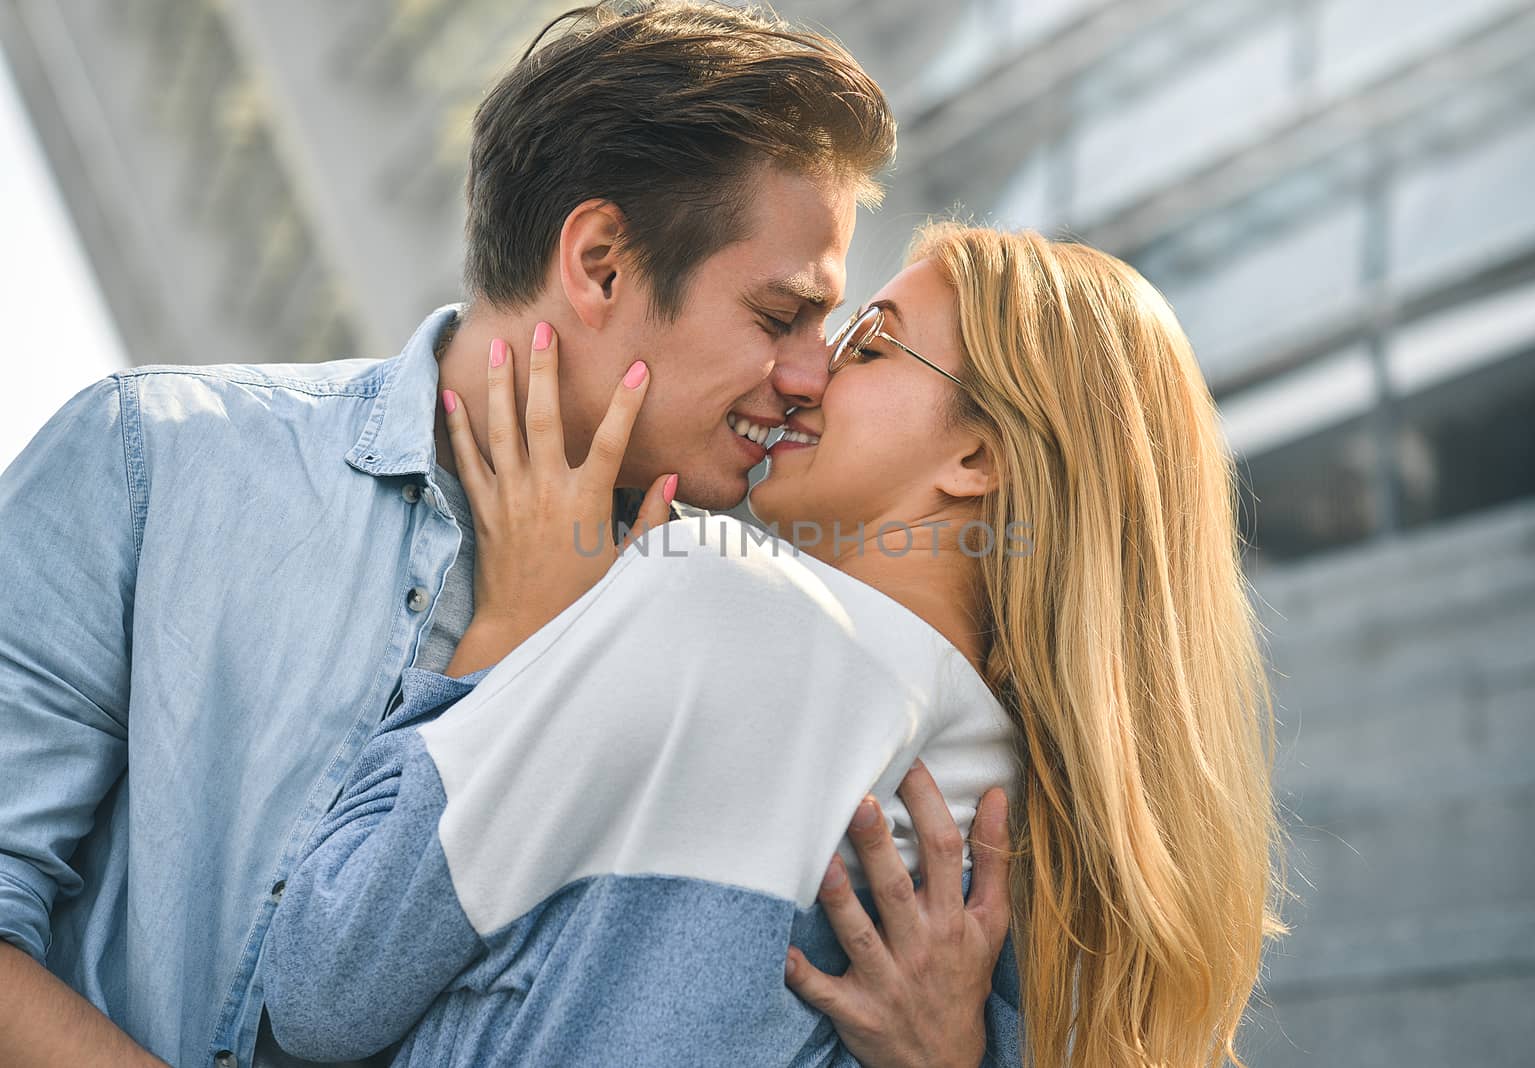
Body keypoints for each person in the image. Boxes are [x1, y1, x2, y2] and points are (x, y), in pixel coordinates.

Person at [0, 5, 1010, 1066]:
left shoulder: (758, 625)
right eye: (776, 317)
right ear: (602, 262)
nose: (812, 378)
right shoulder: (160, 465)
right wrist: (513, 643)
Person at [260, 223, 1286, 1068]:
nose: (805, 379)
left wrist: (509, 634)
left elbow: (325, 976)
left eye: (869, 348)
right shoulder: (1041, 859)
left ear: (978, 456)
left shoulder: (715, 599)